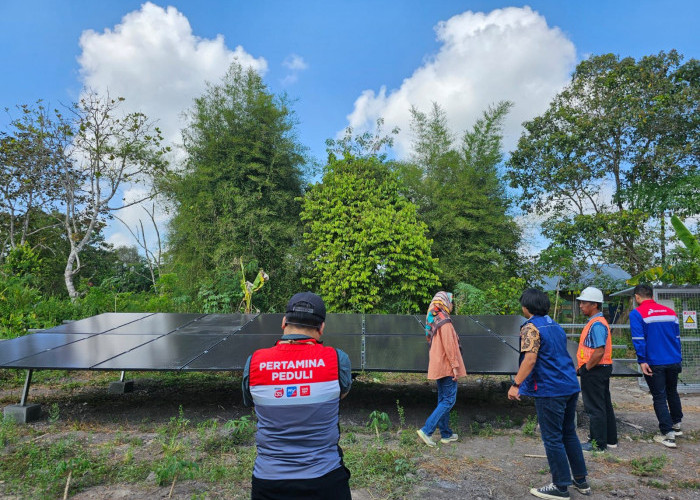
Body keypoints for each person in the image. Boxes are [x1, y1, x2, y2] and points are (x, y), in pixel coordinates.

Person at [242, 291, 352, 499]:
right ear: (321, 328)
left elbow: (251, 401)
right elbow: (339, 396)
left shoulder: (254, 362)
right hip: (326, 480)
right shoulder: (338, 360)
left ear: (284, 322)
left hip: (269, 483)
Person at [508, 288, 590, 499]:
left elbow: (530, 359)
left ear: (526, 307)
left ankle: (560, 486)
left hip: (550, 390)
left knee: (552, 438)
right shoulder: (555, 326)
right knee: (568, 433)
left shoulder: (530, 327)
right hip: (570, 385)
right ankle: (581, 480)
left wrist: (516, 384)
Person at [630, 283, 683, 449]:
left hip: (654, 362)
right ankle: (676, 423)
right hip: (673, 360)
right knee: (672, 392)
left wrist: (642, 360)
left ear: (637, 297)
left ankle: (668, 434)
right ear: (652, 295)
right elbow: (677, 337)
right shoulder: (670, 312)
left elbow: (638, 339)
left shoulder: (637, 313)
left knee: (659, 396)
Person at [416, 291, 467, 447]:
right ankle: (427, 430)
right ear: (444, 302)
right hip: (447, 365)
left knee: (443, 399)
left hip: (439, 365)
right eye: (451, 302)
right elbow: (450, 347)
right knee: (449, 400)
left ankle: (446, 434)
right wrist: (455, 367)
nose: (452, 305)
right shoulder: (444, 321)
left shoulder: (434, 319)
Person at [575, 287, 618, 451]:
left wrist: (586, 368)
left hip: (595, 369)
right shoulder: (596, 322)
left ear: (594, 305)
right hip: (600, 368)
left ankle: (597, 443)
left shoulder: (597, 325)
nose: (581, 306)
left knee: (594, 407)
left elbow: (599, 350)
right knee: (604, 404)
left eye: (584, 303)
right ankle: (610, 439)